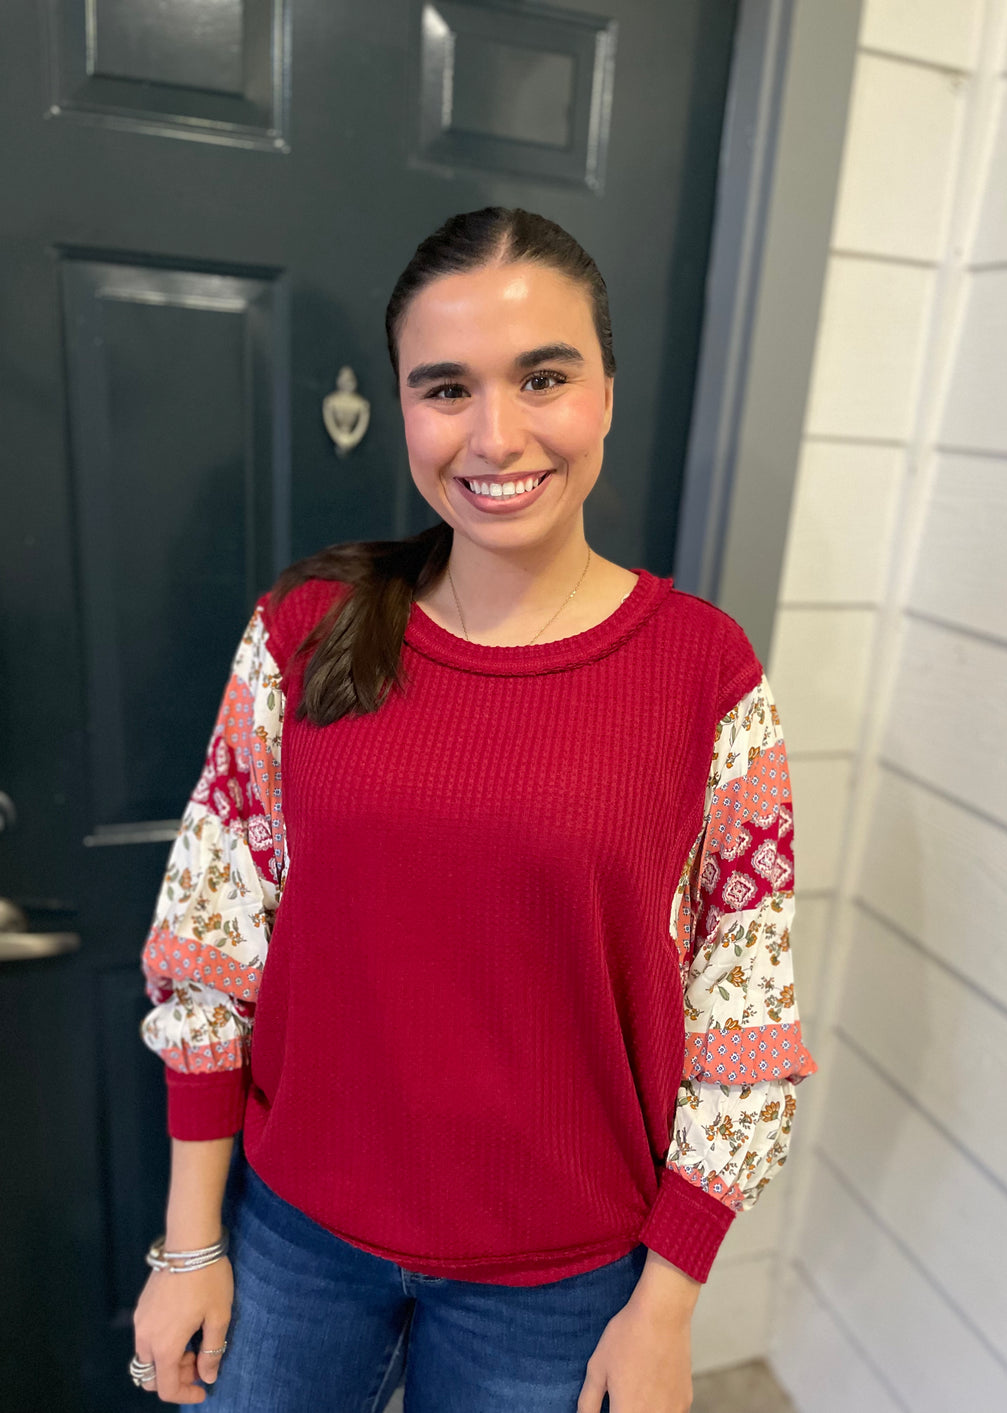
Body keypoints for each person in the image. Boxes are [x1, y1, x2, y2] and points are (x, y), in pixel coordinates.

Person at [130, 206, 817, 1412]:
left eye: (542, 376)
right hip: (297, 1242)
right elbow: (212, 933)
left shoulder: (704, 674)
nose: (496, 436)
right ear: (403, 407)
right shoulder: (307, 632)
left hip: (564, 1283)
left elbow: (740, 1002)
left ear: (604, 389)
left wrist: (667, 1304)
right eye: (446, 389)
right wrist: (191, 1242)